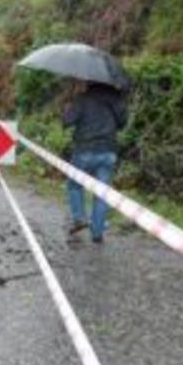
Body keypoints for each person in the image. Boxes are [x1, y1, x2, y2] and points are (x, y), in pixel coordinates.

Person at [62, 81, 128, 244]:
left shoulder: (82, 99)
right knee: (102, 193)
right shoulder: (116, 100)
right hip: (108, 151)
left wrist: (67, 108)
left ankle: (79, 218)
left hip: (84, 150)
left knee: (74, 185)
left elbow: (67, 122)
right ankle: (97, 233)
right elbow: (122, 124)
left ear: (90, 82)